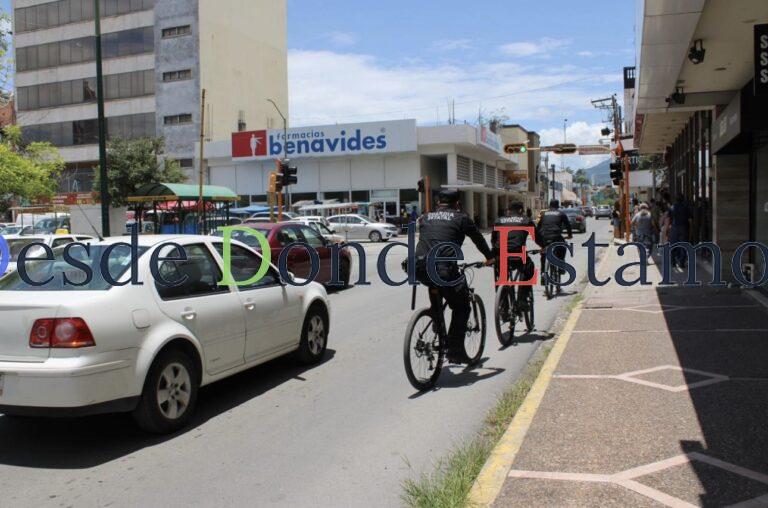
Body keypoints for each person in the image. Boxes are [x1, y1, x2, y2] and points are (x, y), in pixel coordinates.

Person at [415, 189, 494, 364]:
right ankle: (454, 351)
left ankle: (437, 320)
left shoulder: (425, 217)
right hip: (444, 270)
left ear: (438, 203)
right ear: (457, 203)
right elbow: (478, 238)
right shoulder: (461, 218)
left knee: (435, 288)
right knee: (462, 307)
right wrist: (490, 258)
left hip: (419, 267)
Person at [491, 202, 536, 321]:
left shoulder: (499, 221)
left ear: (509, 211)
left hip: (501, 255)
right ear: (521, 210)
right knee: (529, 268)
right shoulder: (526, 220)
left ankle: (504, 309)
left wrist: (493, 255)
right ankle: (521, 299)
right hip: (518, 256)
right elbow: (538, 237)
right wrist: (544, 247)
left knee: (501, 279)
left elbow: (493, 240)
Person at [535, 199, 572, 279]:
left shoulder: (543, 214)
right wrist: (569, 235)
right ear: (558, 205)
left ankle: (542, 274)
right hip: (556, 237)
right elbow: (568, 225)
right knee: (563, 247)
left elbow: (538, 227)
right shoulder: (561, 213)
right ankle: (561, 267)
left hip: (544, 237)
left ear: (549, 205)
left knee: (543, 253)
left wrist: (539, 239)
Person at [668, 193, 693, 268]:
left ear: (675, 199)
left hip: (674, 228)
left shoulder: (672, 208)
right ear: (683, 199)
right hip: (684, 228)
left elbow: (669, 219)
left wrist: (668, 229)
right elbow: (690, 220)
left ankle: (673, 262)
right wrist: (691, 229)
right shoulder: (686, 207)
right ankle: (681, 262)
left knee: (673, 245)